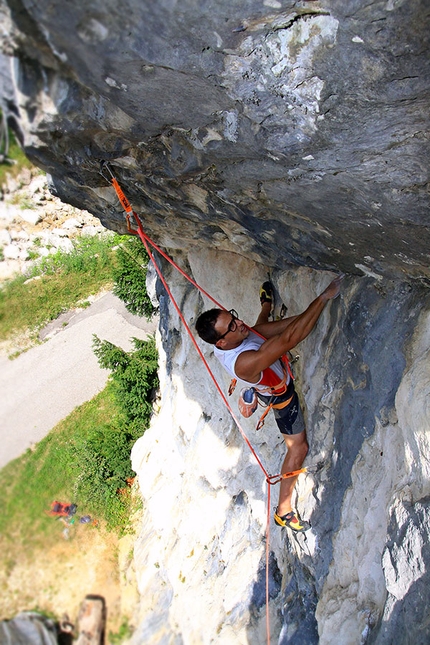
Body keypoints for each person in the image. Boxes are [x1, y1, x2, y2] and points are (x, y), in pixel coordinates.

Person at [195, 275, 343, 532]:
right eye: (230, 326)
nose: (238, 323)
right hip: (282, 399)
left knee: (257, 330)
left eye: (233, 317)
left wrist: (309, 310)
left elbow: (286, 327)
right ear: (221, 343)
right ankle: (283, 510)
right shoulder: (242, 362)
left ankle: (266, 305)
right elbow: (289, 339)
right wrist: (323, 297)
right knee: (298, 448)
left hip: (260, 357)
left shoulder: (235, 336)